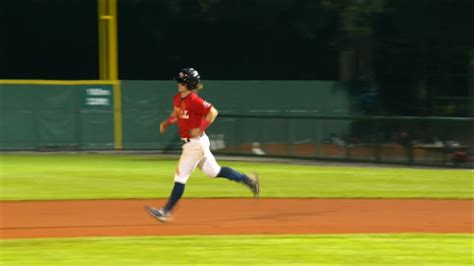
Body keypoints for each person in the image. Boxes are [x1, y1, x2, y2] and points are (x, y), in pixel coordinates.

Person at [145, 67, 260, 222]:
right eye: (179, 81)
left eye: (182, 81)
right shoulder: (177, 98)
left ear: (189, 84)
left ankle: (166, 211)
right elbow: (177, 114)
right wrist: (168, 122)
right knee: (214, 172)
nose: (179, 83)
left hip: (196, 144)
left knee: (180, 176)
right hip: (192, 144)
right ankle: (248, 180)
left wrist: (200, 129)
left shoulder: (195, 101)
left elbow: (213, 112)